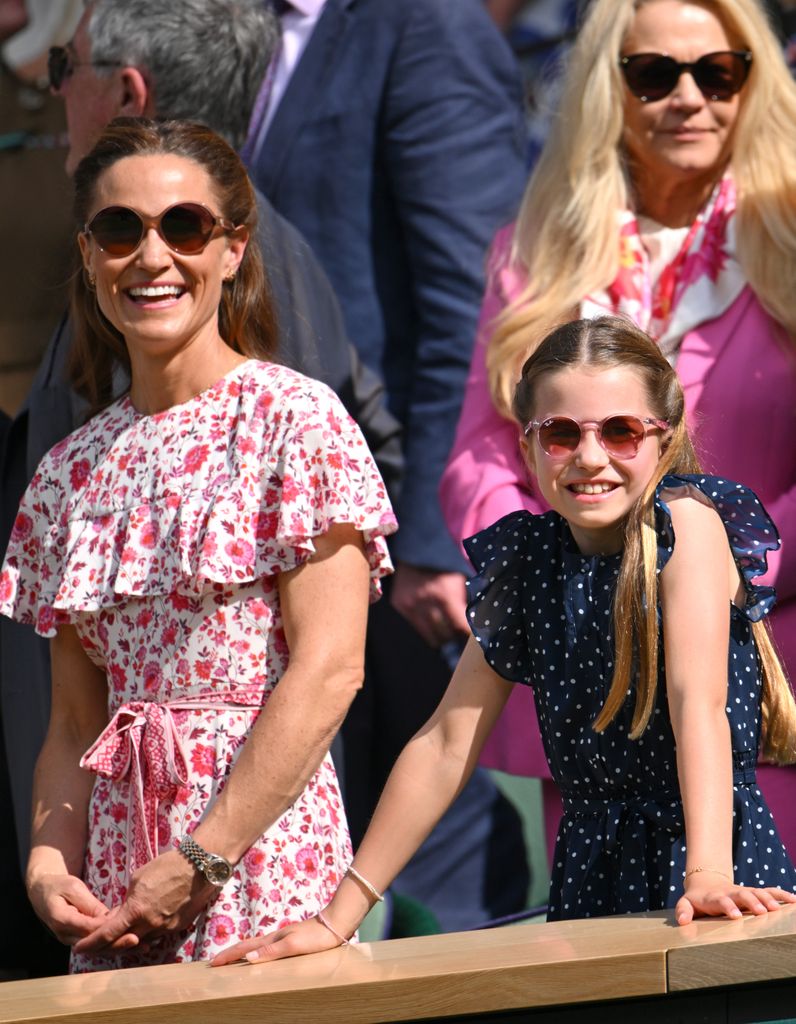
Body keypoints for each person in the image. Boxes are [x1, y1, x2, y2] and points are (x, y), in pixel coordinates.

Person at [213, 315, 796, 965]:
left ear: (665, 436)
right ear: (526, 447)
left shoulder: (686, 524)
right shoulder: (529, 562)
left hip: (714, 866)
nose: (590, 456)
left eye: (622, 431)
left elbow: (699, 708)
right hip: (590, 874)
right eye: (562, 434)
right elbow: (443, 744)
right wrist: (337, 917)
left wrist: (709, 874)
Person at [0, 0, 402, 897]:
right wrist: (47, 865)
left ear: (233, 249)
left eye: (183, 227)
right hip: (114, 873)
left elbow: (332, 667)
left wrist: (201, 860)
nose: (151, 256)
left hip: (258, 868)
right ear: (88, 254)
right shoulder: (67, 470)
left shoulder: (295, 419)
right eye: (118, 230)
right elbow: (72, 724)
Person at [439, 0, 796, 861]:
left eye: (717, 72)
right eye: (653, 74)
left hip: (769, 652)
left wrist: (725, 568)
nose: (688, 97)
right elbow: (483, 447)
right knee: (608, 963)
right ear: (610, 88)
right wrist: (545, 569)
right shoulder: (535, 252)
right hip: (592, 680)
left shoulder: (790, 234)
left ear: (753, 84)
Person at [245, 0, 531, 929]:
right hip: (279, 524)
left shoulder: (424, 23)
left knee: (445, 848)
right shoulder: (250, 29)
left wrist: (441, 539)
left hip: (398, 531)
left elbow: (475, 292)